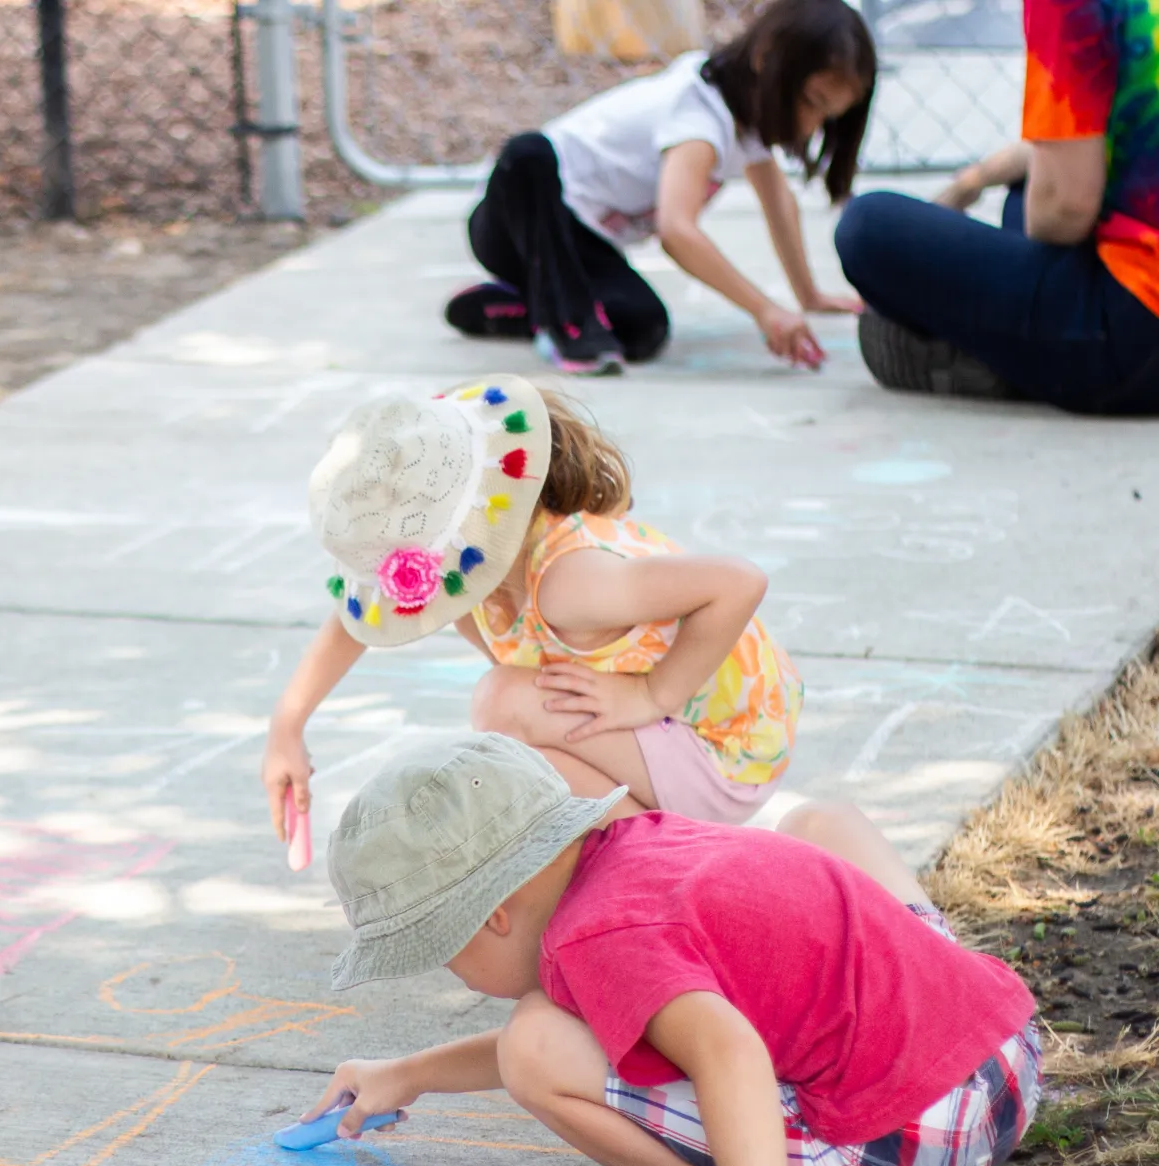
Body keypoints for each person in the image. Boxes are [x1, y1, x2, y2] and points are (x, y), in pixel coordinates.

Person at [302, 733, 1040, 1166]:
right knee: (821, 822)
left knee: (534, 1046)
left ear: (492, 917)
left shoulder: (593, 937)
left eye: (442, 955)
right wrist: (408, 1075)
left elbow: (730, 1056)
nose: (453, 975)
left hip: (912, 1146)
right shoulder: (642, 845)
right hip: (1003, 1053)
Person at [261, 377, 799, 849]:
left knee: (504, 705)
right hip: (667, 740)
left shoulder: (571, 584)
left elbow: (737, 583)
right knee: (501, 762)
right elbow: (357, 624)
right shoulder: (488, 569)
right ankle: (622, 846)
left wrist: (652, 694)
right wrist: (287, 726)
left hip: (722, 755)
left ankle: (669, 859)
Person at [444, 0, 874, 374]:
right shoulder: (698, 116)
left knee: (642, 326)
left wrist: (809, 295)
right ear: (768, 58)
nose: (813, 125)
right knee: (529, 153)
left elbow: (778, 201)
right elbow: (677, 231)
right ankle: (565, 324)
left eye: (828, 116)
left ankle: (527, 305)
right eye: (813, 103)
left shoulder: (747, 123)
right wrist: (766, 311)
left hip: (581, 242)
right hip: (517, 221)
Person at [834, 0, 1159, 413]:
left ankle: (1005, 361)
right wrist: (976, 179)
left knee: (866, 227)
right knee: (1021, 194)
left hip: (1134, 334)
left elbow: (1065, 207)